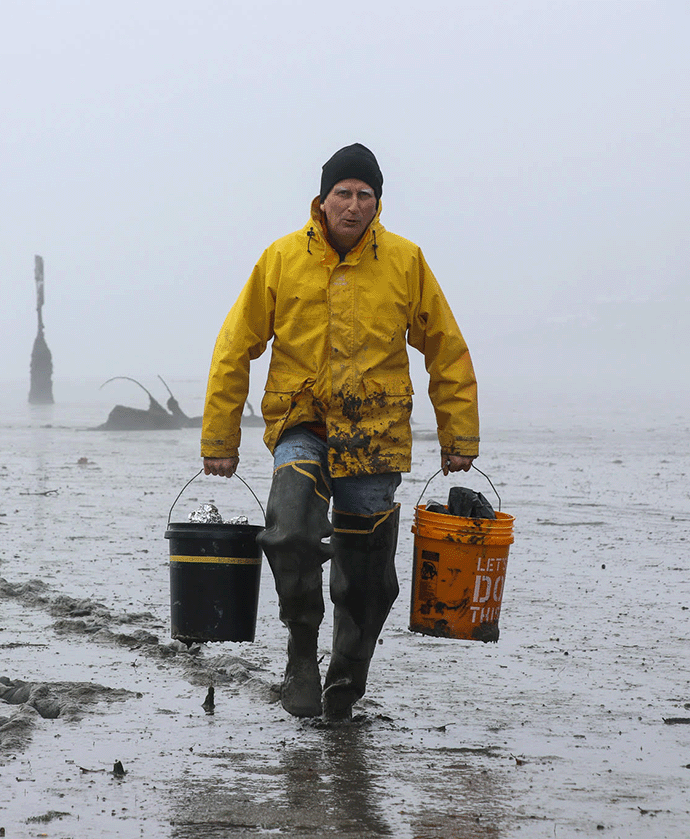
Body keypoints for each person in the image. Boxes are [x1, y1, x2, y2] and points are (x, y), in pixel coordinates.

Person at [200, 143, 479, 720]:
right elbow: (235, 347)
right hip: (301, 421)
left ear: (379, 203)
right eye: (343, 194)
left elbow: (446, 351)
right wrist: (219, 440)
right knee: (290, 530)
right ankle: (301, 650)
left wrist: (460, 437)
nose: (353, 205)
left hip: (376, 434)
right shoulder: (280, 259)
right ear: (321, 201)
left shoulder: (406, 261)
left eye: (365, 195)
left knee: (368, 575)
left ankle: (347, 675)